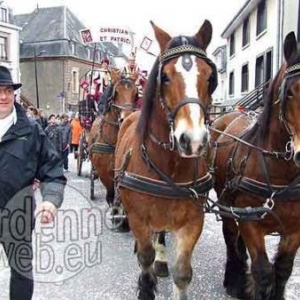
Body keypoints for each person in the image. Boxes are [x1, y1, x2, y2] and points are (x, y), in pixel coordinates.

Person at [0, 66, 66, 299]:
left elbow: (53, 171)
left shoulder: (31, 130)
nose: (3, 96)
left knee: (21, 272)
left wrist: (50, 200)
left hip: (17, 214)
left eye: (8, 90)